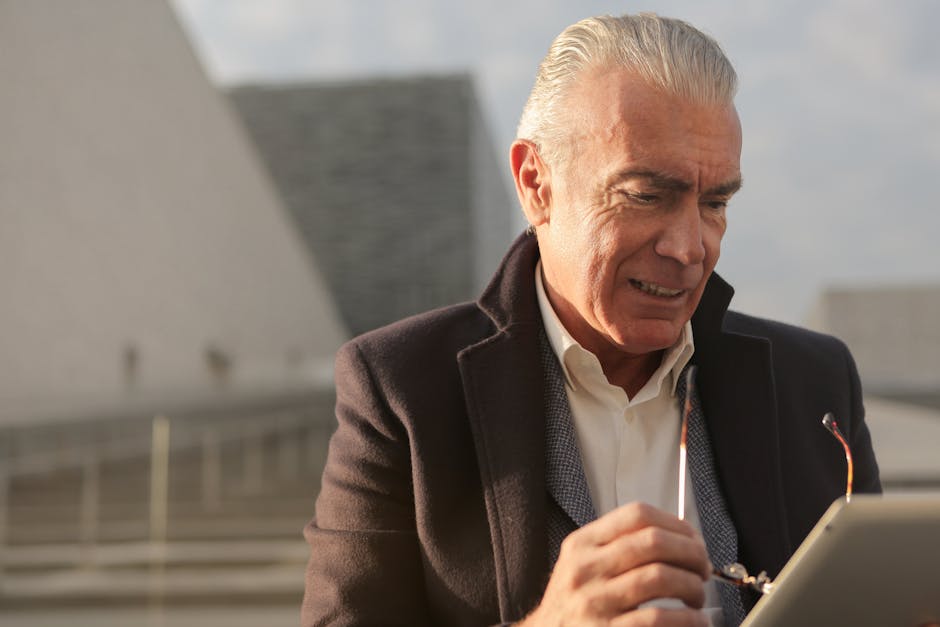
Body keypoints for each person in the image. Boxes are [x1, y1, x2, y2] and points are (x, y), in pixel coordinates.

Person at [302, 13, 880, 627]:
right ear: (536, 183)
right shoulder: (398, 390)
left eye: (715, 203)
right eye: (645, 194)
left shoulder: (816, 383)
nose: (689, 248)